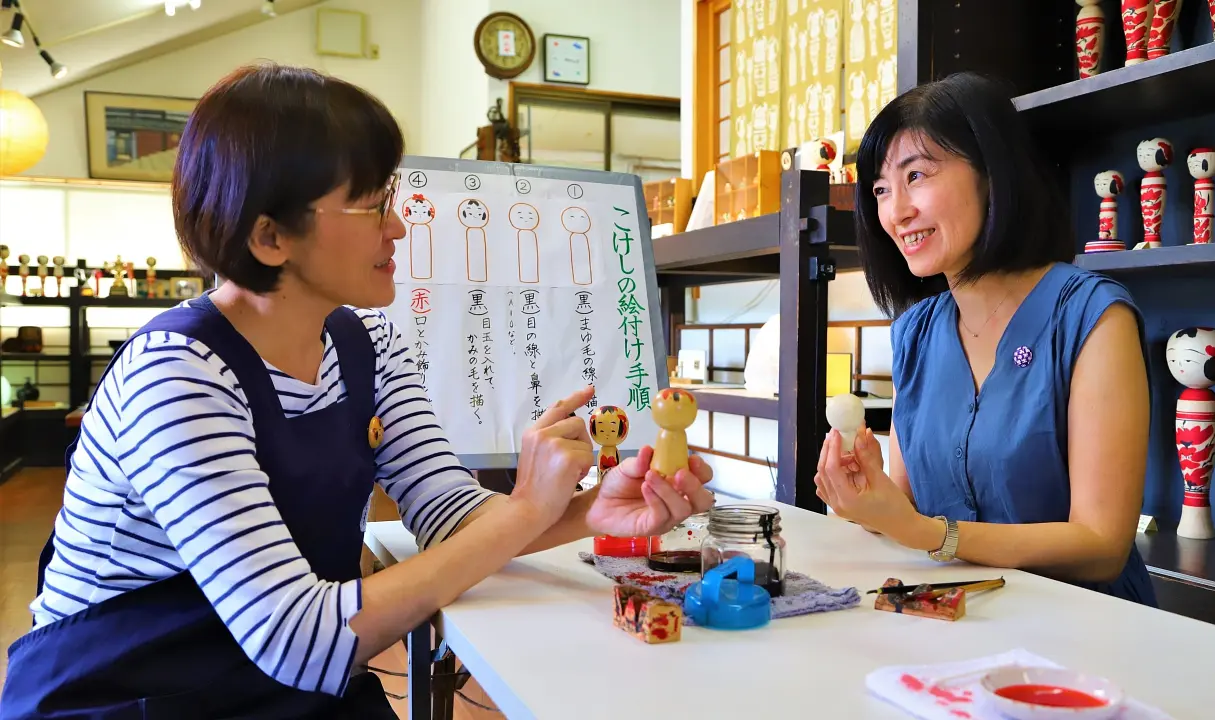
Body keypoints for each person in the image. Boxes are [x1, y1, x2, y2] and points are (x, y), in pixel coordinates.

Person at [0, 63, 715, 719]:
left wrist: (595, 510)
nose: (399, 226)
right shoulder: (177, 375)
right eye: (372, 205)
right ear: (271, 235)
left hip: (276, 688)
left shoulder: (366, 345)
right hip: (119, 697)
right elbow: (300, 636)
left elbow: (450, 518)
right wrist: (529, 503)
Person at [814, 72, 1157, 607]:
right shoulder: (915, 333)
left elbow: (1102, 545)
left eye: (917, 176)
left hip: (1087, 635)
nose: (895, 210)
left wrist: (931, 534)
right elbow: (906, 510)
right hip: (959, 622)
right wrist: (868, 499)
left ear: (992, 175)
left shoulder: (1092, 315)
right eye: (881, 189)